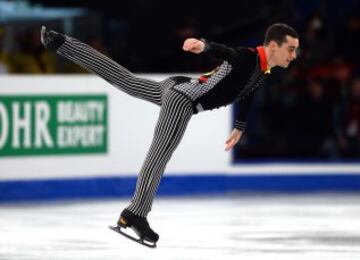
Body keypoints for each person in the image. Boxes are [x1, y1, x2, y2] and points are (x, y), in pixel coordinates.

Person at [40, 23, 299, 246]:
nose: (294, 55)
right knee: (159, 156)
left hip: (178, 87)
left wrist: (240, 127)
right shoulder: (247, 57)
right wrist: (204, 45)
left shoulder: (261, 70)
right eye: (291, 48)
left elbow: (249, 91)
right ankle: (135, 214)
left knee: (125, 80)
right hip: (182, 100)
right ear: (273, 46)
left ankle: (62, 42)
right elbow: (228, 53)